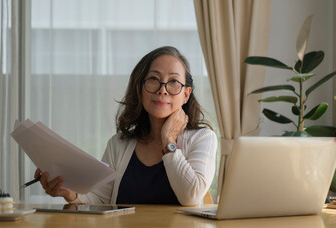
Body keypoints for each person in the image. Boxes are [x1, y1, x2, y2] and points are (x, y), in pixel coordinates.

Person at [35, 46, 217, 206]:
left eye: (173, 82)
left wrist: (168, 140)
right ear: (140, 88)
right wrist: (71, 193)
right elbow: (100, 199)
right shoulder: (118, 144)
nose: (163, 89)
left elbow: (191, 197)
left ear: (186, 94)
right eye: (154, 79)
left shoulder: (203, 138)